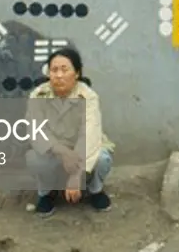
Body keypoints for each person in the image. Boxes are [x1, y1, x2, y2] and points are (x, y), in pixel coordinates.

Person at [26, 47, 115, 218]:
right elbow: (36, 131)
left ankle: (94, 190)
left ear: (77, 73)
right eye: (54, 70)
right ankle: (47, 192)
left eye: (64, 70)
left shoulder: (88, 96)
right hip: (56, 149)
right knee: (34, 158)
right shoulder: (38, 95)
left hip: (82, 149)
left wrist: (77, 174)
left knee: (103, 158)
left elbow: (89, 133)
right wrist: (63, 151)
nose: (58, 75)